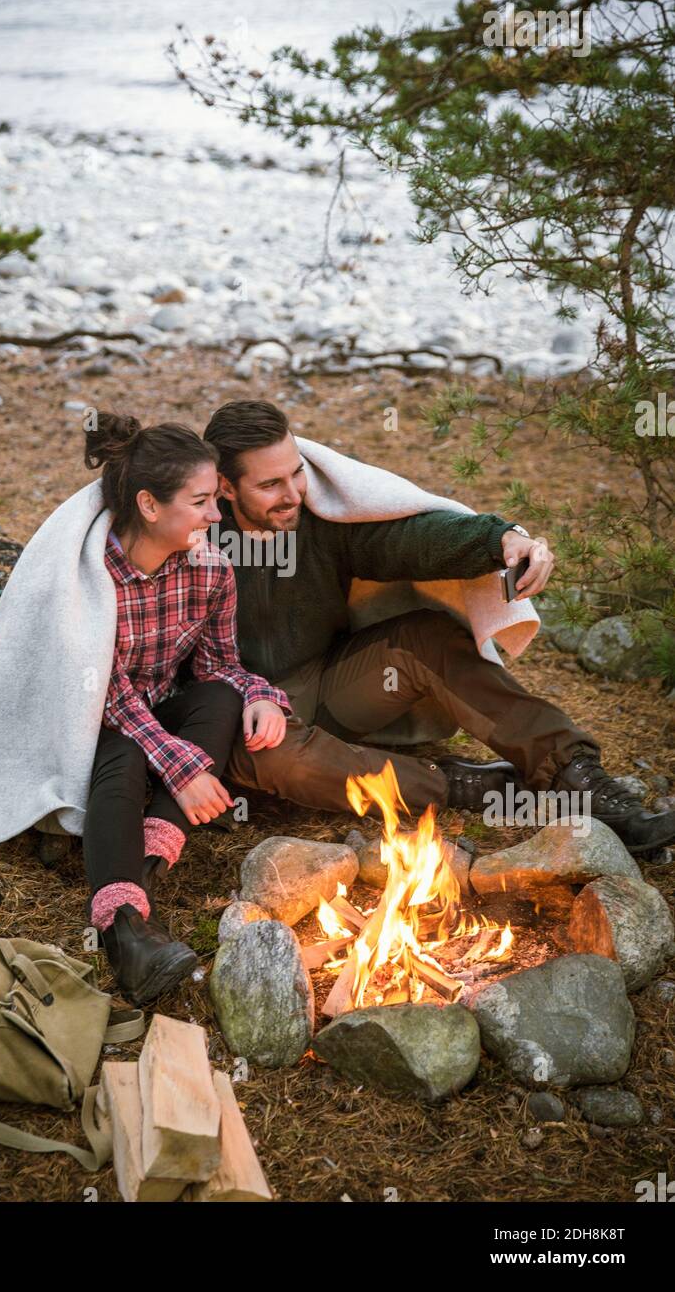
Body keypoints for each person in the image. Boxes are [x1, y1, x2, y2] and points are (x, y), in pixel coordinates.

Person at [201, 400, 675, 859]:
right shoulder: (189, 544)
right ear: (224, 486)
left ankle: (577, 776)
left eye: (297, 472)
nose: (294, 493)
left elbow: (410, 541)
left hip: (324, 686)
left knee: (426, 640)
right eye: (270, 484)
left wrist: (500, 539)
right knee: (281, 757)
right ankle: (457, 783)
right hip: (236, 723)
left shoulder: (318, 523)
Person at [83, 412, 291, 1006]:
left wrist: (261, 697)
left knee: (221, 695)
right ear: (149, 505)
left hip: (161, 714)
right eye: (201, 501)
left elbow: (218, 665)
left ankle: (140, 873)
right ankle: (124, 933)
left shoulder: (210, 571)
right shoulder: (91, 578)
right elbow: (105, 694)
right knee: (121, 748)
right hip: (91, 725)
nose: (216, 516)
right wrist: (185, 769)